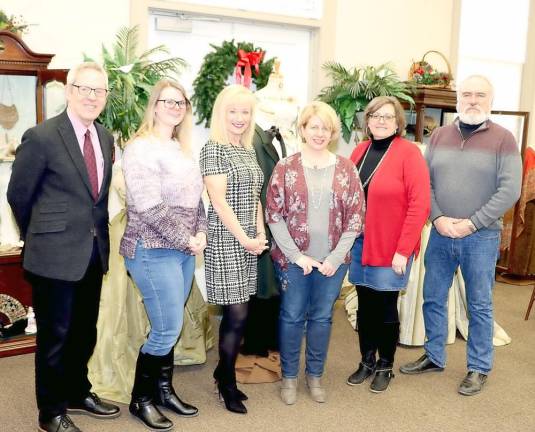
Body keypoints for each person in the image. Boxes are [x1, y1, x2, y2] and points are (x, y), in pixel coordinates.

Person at [7, 62, 119, 432]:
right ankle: (50, 412)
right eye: (84, 89)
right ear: (69, 91)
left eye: (98, 91)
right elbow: (18, 195)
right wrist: (40, 233)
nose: (91, 96)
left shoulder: (104, 138)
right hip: (53, 255)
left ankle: (77, 392)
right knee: (55, 337)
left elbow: (96, 199)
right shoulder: (41, 136)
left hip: (92, 251)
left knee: (85, 331)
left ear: (105, 97)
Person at [400, 75, 522, 396]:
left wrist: (472, 223)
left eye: (480, 94)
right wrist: (438, 218)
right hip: (440, 234)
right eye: (466, 94)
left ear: (490, 101)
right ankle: (434, 355)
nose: (472, 100)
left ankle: (479, 367)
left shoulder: (504, 139)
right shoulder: (439, 135)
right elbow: (425, 183)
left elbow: (509, 190)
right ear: (458, 99)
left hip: (480, 237)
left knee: (479, 304)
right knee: (433, 296)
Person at [265, 100, 365, 405]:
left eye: (326, 127)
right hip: (295, 261)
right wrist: (297, 256)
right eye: (314, 126)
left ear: (333, 132)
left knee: (322, 318)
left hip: (332, 264)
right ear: (303, 129)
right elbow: (273, 214)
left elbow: (357, 216)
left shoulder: (346, 168)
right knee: (292, 316)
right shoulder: (286, 167)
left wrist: (334, 259)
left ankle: (315, 375)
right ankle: (290, 377)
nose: (320, 133)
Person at [120, 79, 206, 430]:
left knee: (169, 325)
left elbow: (197, 198)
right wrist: (188, 238)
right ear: (154, 105)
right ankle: (140, 400)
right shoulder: (140, 148)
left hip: (183, 249)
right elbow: (149, 206)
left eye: (181, 102)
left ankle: (163, 390)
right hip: (151, 249)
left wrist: (200, 232)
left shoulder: (180, 147)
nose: (174, 106)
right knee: (167, 328)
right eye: (167, 101)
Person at [345, 96, 430, 393]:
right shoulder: (359, 150)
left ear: (398, 123)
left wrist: (403, 251)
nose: (381, 121)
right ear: (367, 120)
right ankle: (366, 360)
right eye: (375, 116)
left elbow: (420, 205)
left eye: (388, 117)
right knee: (365, 306)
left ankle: (385, 364)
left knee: (385, 308)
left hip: (392, 246)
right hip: (359, 244)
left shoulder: (409, 154)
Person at [199, 84, 268, 414]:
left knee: (241, 314)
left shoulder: (249, 148)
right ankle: (226, 381)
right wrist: (245, 238)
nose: (240, 118)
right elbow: (220, 203)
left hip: (248, 240)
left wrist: (260, 231)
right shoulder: (213, 148)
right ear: (221, 114)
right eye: (233, 111)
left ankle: (223, 371)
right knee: (236, 312)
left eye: (245, 112)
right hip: (226, 239)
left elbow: (254, 194)